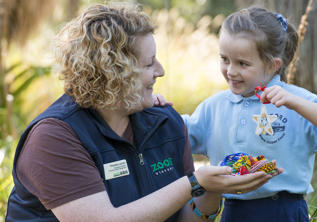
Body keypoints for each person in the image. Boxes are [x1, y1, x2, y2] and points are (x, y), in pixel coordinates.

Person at [5, 4, 280, 222]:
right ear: (114, 73)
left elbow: (188, 217)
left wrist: (210, 191)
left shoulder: (166, 122)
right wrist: (194, 183)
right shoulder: (54, 137)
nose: (161, 71)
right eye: (149, 64)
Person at [156, 5, 317, 222]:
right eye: (224, 59)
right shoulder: (214, 107)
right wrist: (159, 111)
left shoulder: (295, 101)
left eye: (242, 63)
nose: (231, 71)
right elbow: (177, 137)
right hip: (234, 211)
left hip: (285, 210)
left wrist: (295, 103)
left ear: (272, 65)